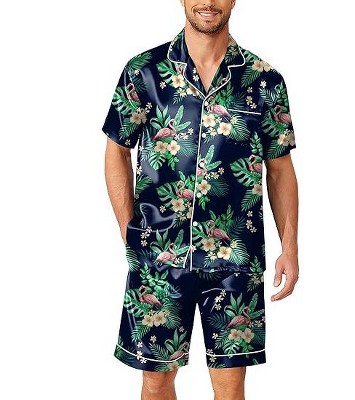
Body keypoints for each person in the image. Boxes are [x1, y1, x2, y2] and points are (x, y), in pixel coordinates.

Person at [101, 1, 299, 399]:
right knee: (156, 382)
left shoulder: (264, 80)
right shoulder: (144, 71)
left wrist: (290, 248)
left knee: (230, 387)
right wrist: (130, 232)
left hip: (235, 260)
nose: (207, 2)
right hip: (159, 257)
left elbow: (280, 169)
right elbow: (116, 150)